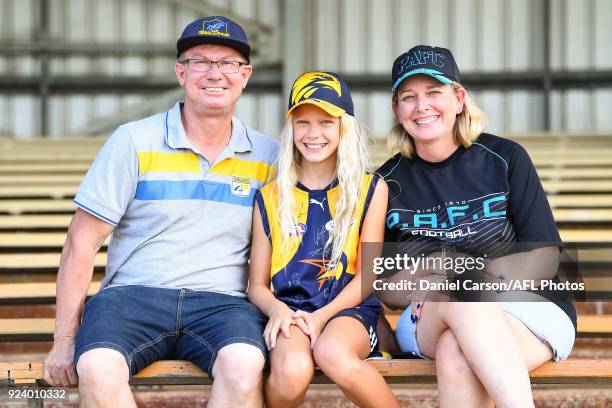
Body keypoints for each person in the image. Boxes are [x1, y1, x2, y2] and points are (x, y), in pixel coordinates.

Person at [43, 16, 279, 407]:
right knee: (98, 366)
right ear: (181, 72)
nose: (214, 74)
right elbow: (80, 243)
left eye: (227, 64)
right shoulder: (133, 141)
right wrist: (64, 341)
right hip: (132, 297)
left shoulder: (269, 155)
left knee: (244, 363)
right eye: (201, 61)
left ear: (245, 75)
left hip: (223, 302)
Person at [376, 45, 576, 407]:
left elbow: (543, 258)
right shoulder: (385, 183)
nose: (422, 106)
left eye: (434, 92)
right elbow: (386, 289)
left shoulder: (505, 158)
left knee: (457, 349)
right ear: (396, 109)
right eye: (409, 97)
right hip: (427, 318)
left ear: (458, 98)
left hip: (530, 307)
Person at [248, 71, 398, 407]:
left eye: (326, 122)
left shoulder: (369, 189)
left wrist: (322, 315)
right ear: (291, 129)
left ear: (344, 127)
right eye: (303, 123)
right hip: (293, 311)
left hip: (350, 308)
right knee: (291, 368)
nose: (313, 133)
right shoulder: (270, 197)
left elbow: (368, 277)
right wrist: (278, 310)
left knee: (332, 352)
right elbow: (256, 285)